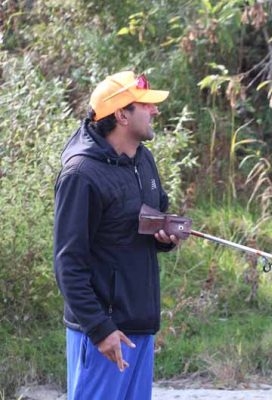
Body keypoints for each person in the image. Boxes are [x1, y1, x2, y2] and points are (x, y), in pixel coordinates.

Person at [53, 71, 179, 400]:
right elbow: (68, 264)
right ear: (121, 114)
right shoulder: (81, 175)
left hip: (140, 326)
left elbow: (154, 218)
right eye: (145, 106)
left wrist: (165, 237)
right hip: (103, 335)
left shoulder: (144, 160)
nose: (154, 111)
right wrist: (99, 329)